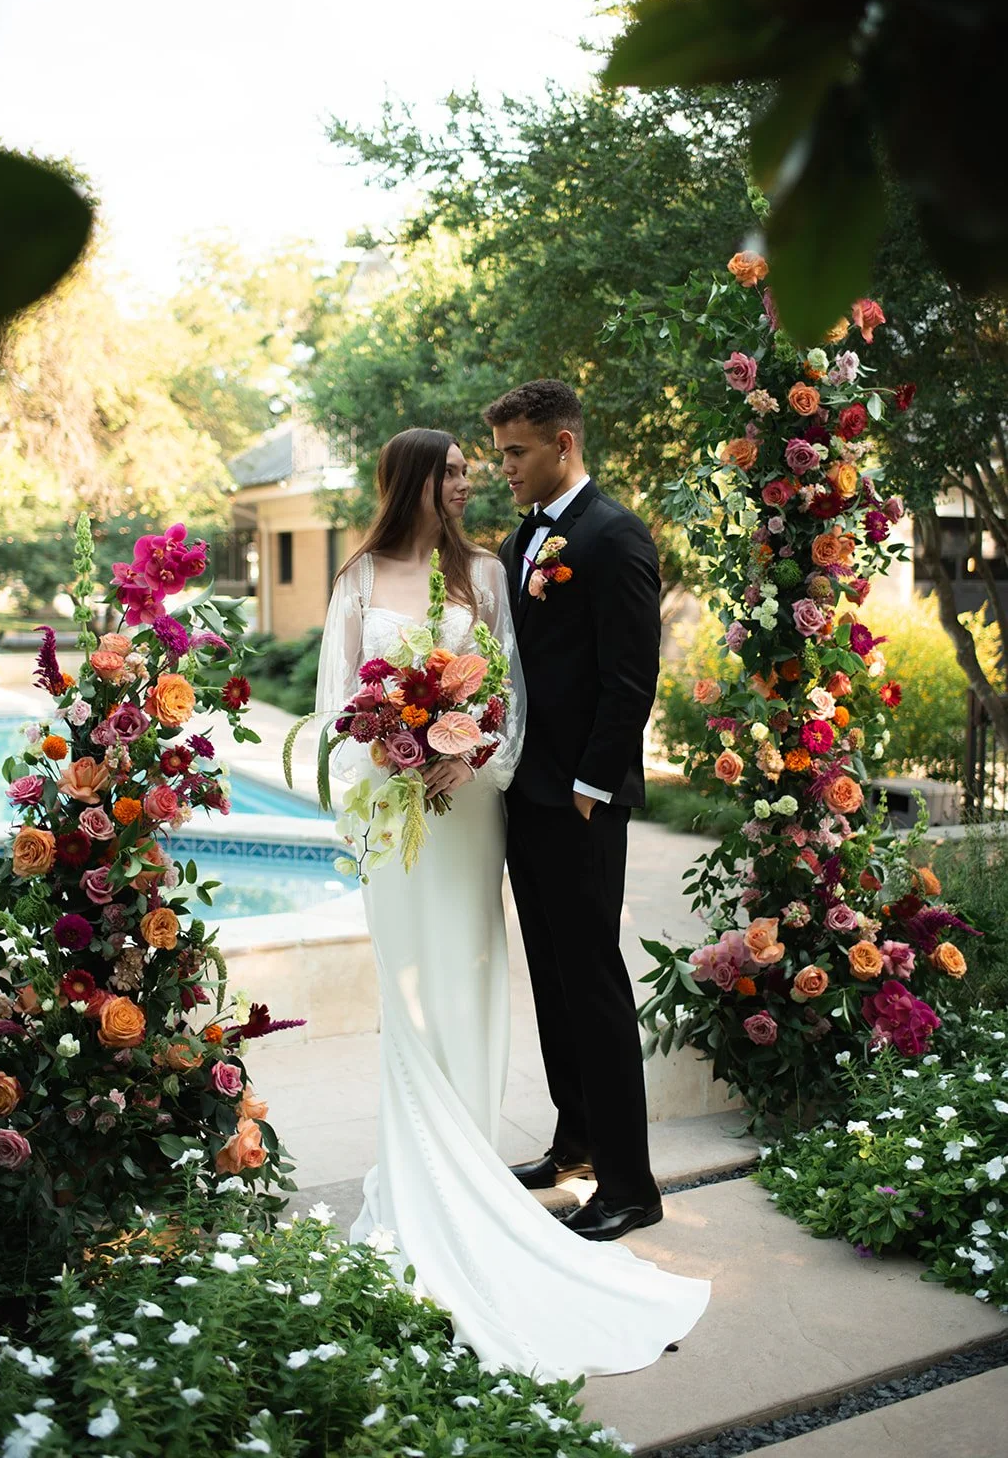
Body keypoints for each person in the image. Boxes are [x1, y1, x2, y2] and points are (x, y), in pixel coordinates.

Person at [314, 425, 709, 1379]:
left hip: (465, 813)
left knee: (471, 977)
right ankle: (426, 1169)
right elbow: (337, 703)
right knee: (411, 999)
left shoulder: (488, 575)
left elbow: (512, 697)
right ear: (410, 479)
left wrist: (466, 759)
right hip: (395, 822)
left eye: (476, 465)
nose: (470, 481)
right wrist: (387, 763)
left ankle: (488, 1155)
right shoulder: (357, 579)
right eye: (451, 470)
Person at [487, 378, 663, 1242]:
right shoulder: (526, 535)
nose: (505, 470)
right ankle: (574, 1149)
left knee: (593, 987)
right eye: (500, 456)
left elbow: (630, 680)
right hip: (528, 791)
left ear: (563, 443)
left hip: (582, 803)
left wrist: (592, 790)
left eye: (516, 453)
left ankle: (632, 1185)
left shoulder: (616, 535)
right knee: (554, 980)